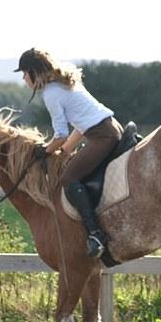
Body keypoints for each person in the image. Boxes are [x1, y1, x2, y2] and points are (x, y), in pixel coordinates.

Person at [14, 47, 123, 258]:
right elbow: (80, 126)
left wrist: (44, 151)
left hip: (102, 136)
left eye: (24, 73)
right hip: (109, 128)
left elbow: (61, 134)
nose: (24, 79)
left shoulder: (50, 94)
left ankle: (95, 234)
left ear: (34, 72)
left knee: (68, 178)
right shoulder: (63, 84)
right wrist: (65, 151)